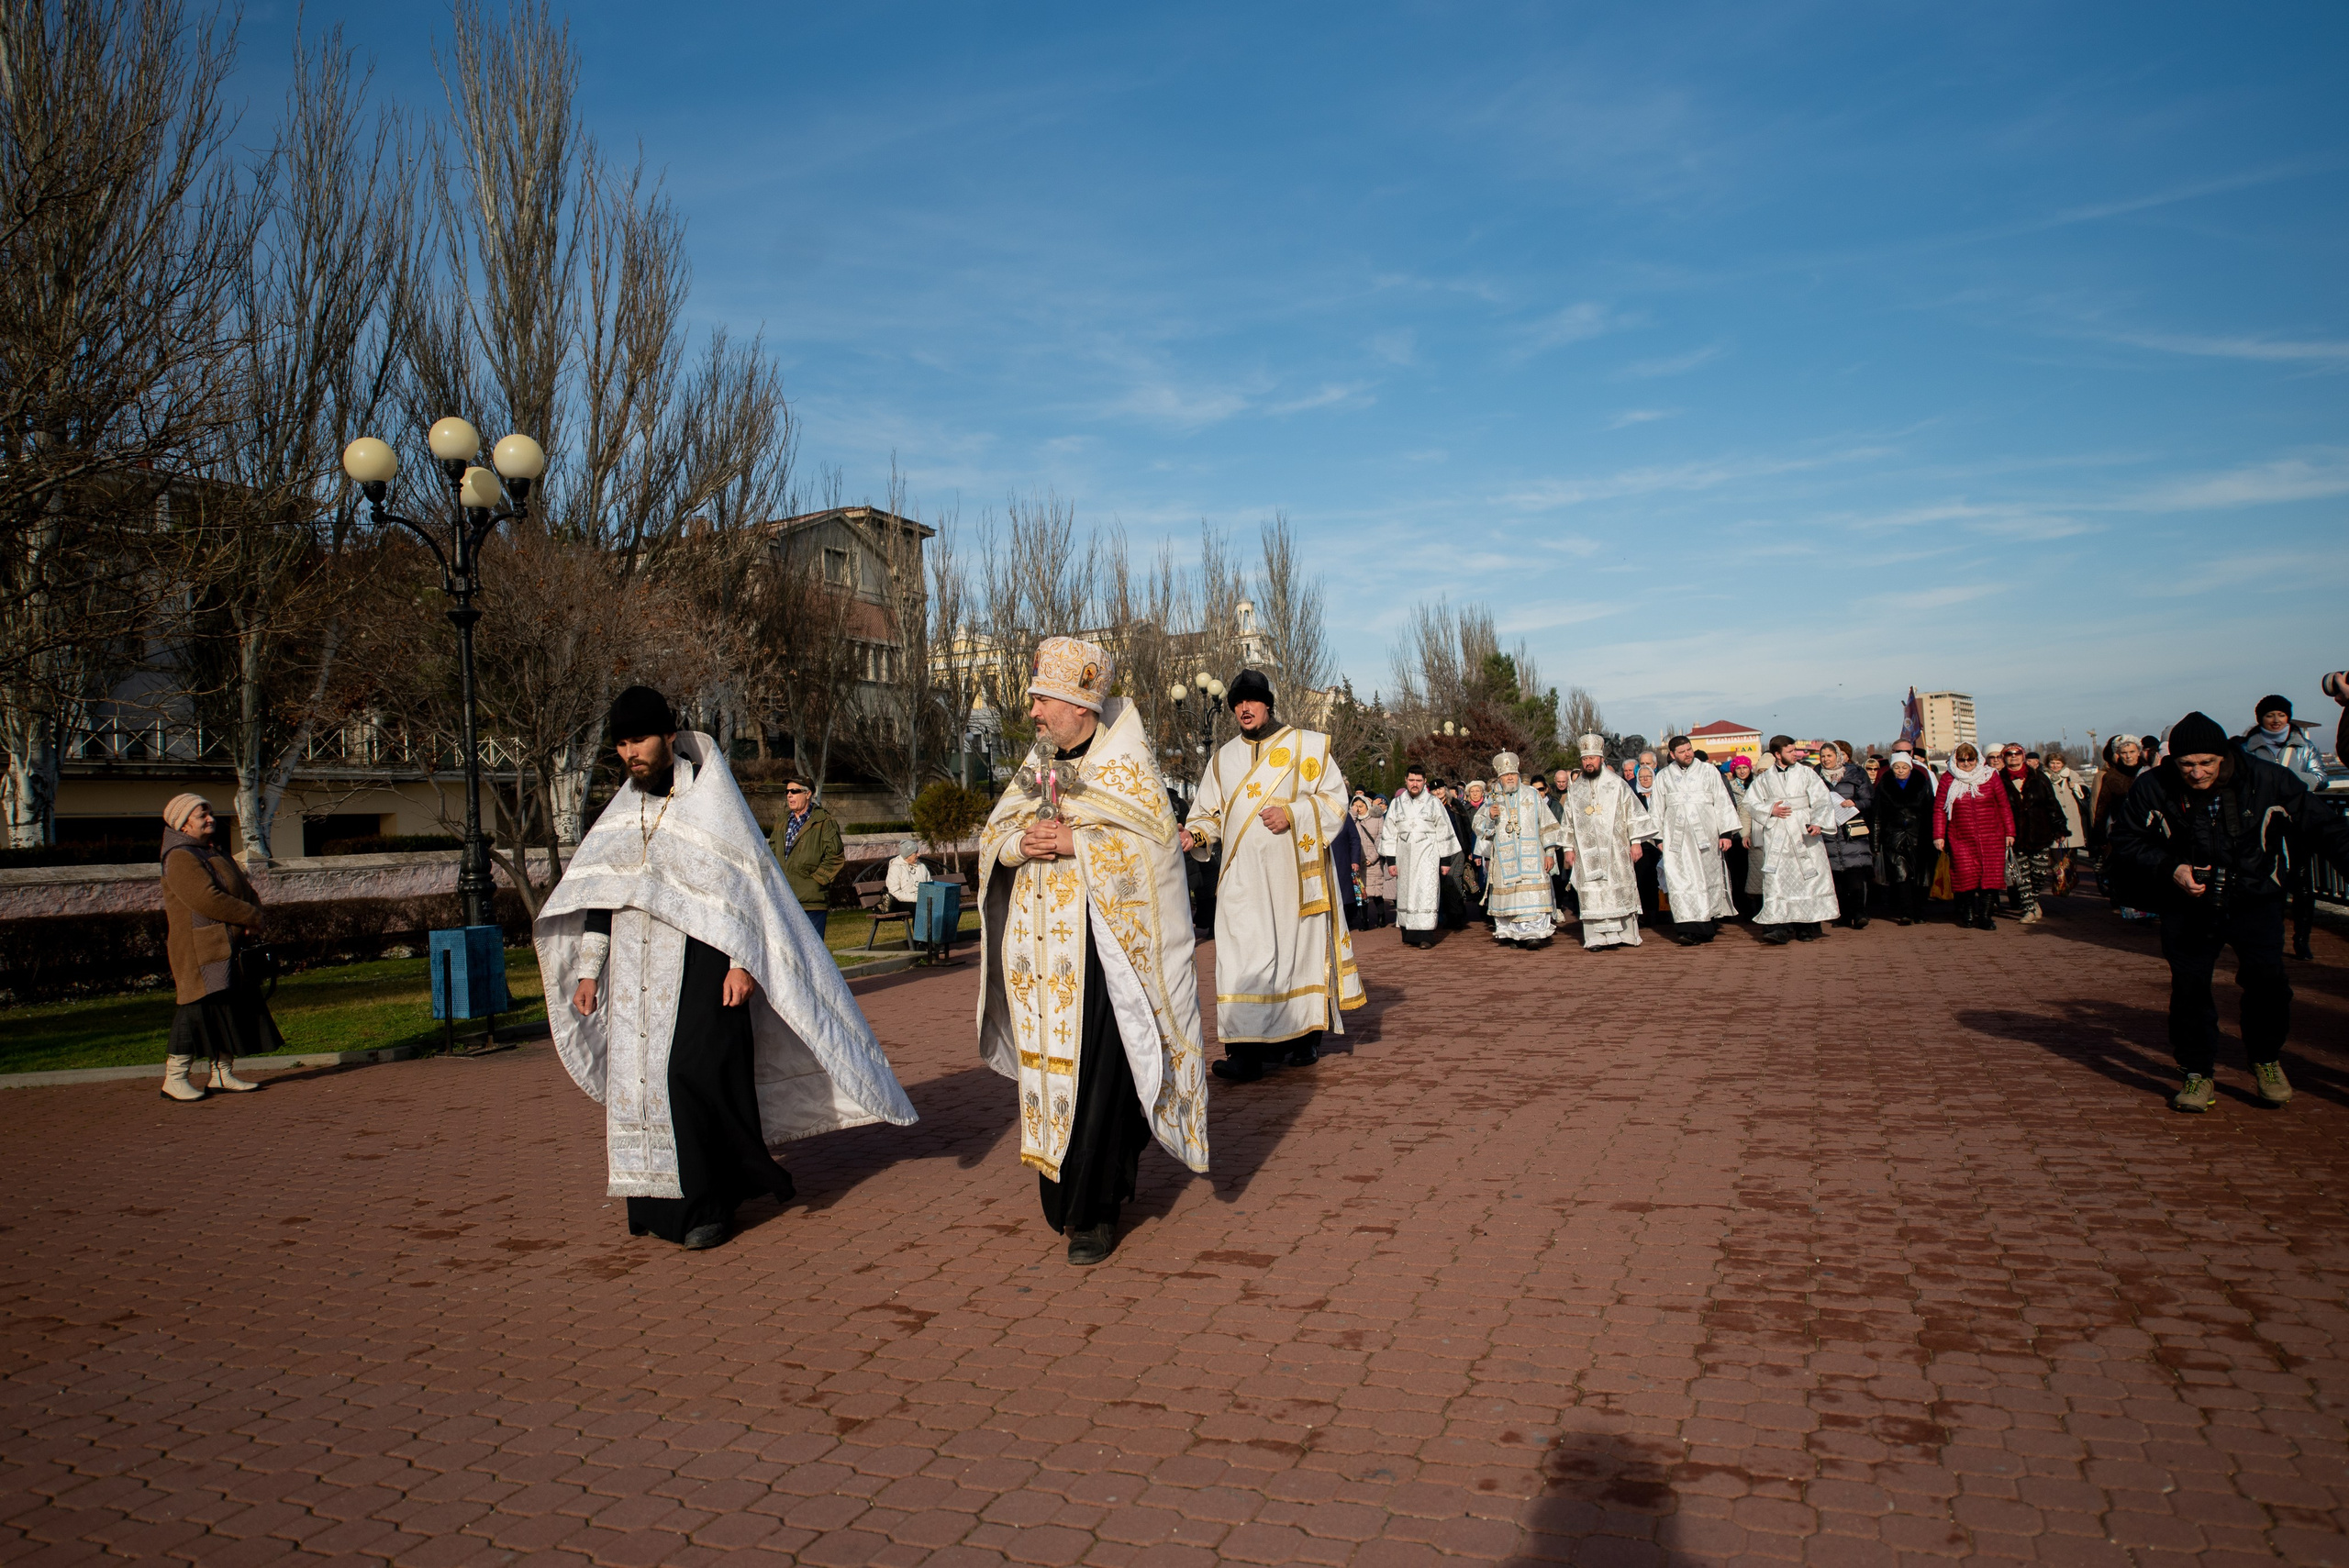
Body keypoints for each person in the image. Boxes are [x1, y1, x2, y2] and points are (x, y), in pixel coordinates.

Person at [540, 686, 917, 1251]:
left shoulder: (712, 802)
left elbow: (746, 892)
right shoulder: (621, 812)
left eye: (638, 739)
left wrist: (743, 964)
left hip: (704, 963)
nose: (630, 754)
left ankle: (707, 1208)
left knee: (693, 1077)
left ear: (669, 736)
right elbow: (600, 895)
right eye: (619, 744)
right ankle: (658, 1207)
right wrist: (590, 972)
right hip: (638, 973)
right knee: (641, 1086)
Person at [978, 637, 1208, 1262]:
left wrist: (1077, 845)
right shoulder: (1039, 763)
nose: (1032, 712)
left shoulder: (1127, 767)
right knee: (1052, 1075)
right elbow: (995, 833)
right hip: (1045, 964)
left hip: (1106, 959)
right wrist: (1023, 844)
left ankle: (1095, 1214)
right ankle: (1065, 1196)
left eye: (1040, 699)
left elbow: (1156, 853)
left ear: (1080, 704)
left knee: (1101, 1079)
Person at [2109, 710, 2349, 1113]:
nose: (2197, 773)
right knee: (2190, 988)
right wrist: (2172, 868)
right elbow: (2126, 839)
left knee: (2268, 984)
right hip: (2187, 901)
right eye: (2187, 764)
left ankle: (2266, 1059)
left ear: (2223, 755)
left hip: (2256, 897)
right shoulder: (2154, 785)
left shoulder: (2267, 778)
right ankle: (2197, 1071)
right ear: (2173, 760)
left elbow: (2325, 828)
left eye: (2206, 763)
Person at [1179, 669, 1364, 1082]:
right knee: (1241, 959)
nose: (1244, 708)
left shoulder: (1306, 746)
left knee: (1295, 956)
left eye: (1252, 701)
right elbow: (1208, 814)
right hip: (1241, 879)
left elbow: (1336, 801)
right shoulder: (1222, 758)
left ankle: (1303, 1040)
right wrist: (1194, 835)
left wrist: (1294, 814)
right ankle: (1244, 1051)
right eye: (1237, 703)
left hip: (1292, 878)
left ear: (1268, 704)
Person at [158, 794, 276, 1102]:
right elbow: (207, 899)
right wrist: (249, 916)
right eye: (202, 815)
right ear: (183, 824)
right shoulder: (180, 857)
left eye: (209, 812)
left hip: (227, 945)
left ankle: (222, 1074)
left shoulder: (211, 852)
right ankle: (175, 1078)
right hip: (200, 949)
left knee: (227, 1007)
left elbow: (245, 889)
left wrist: (254, 915)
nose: (210, 818)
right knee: (195, 1008)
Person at [2240, 695, 2327, 960]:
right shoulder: (2249, 748)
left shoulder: (2304, 745)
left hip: (2298, 818)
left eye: (2281, 714)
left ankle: (2302, 938)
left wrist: (2287, 779)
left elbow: (2321, 778)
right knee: (2269, 876)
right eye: (2270, 715)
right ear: (2260, 719)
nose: (2276, 720)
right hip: (2264, 821)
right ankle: (2272, 933)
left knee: (2302, 879)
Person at [1556, 736, 1658, 950]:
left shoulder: (1617, 784)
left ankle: (1623, 935)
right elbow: (1568, 822)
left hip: (1616, 851)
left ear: (1601, 758)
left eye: (1592, 758)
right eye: (1584, 759)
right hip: (1586, 853)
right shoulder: (1575, 789)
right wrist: (1567, 848)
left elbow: (1632, 814)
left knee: (1617, 889)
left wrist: (1636, 842)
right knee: (1592, 893)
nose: (1588, 763)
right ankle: (1595, 938)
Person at [1650, 734, 1741, 945]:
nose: (1688, 754)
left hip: (1707, 837)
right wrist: (1658, 838)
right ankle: (1687, 929)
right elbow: (1656, 808)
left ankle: (1707, 926)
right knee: (1681, 881)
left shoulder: (1709, 771)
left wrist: (1726, 833)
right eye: (1682, 752)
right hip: (1676, 840)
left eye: (1689, 749)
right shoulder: (1663, 776)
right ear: (1672, 755)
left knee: (1707, 878)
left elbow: (1722, 801)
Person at [1747, 735, 1839, 944]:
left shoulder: (1807, 773)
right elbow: (1750, 803)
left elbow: (1822, 799)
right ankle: (1777, 927)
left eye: (1795, 750)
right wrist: (1771, 809)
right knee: (1778, 880)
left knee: (1807, 879)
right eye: (1790, 751)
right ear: (1777, 755)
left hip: (1803, 831)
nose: (1795, 754)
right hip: (1778, 833)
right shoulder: (1763, 779)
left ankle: (1806, 926)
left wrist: (1818, 823)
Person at [1471, 751, 1563, 948]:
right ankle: (1512, 934)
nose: (1510, 778)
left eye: (1513, 774)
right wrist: (1489, 814)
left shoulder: (1532, 794)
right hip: (1505, 858)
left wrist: (1549, 853)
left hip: (1533, 857)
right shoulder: (1492, 796)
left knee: (1534, 896)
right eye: (1506, 775)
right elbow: (1478, 826)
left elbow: (1547, 824)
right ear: (1500, 777)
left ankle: (1534, 934)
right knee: (1510, 898)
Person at [1933, 742, 2013, 932]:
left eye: (1971, 759)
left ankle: (1985, 916)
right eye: (1962, 760)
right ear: (1955, 760)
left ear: (1978, 759)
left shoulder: (1990, 776)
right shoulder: (1947, 779)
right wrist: (1938, 835)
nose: (1967, 763)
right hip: (1961, 835)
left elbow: (2003, 805)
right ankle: (1967, 911)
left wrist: (2010, 832)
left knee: (1990, 878)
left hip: (1992, 836)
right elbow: (1939, 809)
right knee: (1965, 876)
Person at [1380, 765, 1460, 948]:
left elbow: (1444, 830)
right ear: (1406, 781)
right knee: (1407, 892)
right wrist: (1391, 861)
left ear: (1425, 782)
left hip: (1428, 856)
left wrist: (1445, 861)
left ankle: (1425, 936)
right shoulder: (1397, 803)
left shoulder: (1434, 803)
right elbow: (1390, 833)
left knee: (1426, 892)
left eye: (1418, 780)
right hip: (1404, 856)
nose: (1414, 784)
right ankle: (1409, 933)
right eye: (1411, 780)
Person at [769, 776, 845, 938]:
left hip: (811, 904)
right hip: (784, 900)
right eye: (787, 791)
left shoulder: (824, 821)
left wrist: (817, 882)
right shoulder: (782, 821)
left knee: (812, 956)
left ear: (808, 794)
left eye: (794, 791)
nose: (789, 795)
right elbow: (772, 851)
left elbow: (835, 856)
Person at [1998, 742, 2065, 924]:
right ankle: (2029, 909)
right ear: (2004, 757)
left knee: (2040, 872)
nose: (2013, 756)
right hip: (2015, 835)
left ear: (2023, 755)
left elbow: (2052, 803)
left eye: (2017, 753)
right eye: (2009, 754)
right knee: (2022, 876)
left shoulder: (2038, 777)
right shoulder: (1999, 780)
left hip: (2040, 832)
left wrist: (2059, 827)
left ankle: (2033, 900)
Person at [1870, 751, 1939, 925]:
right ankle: (1906, 912)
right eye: (1897, 767)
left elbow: (1931, 810)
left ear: (1910, 767)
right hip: (1894, 836)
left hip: (1920, 835)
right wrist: (1876, 844)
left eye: (1904, 767)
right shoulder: (1884, 785)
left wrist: (1936, 836)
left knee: (1921, 877)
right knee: (1901, 876)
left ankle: (1920, 911)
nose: (1900, 770)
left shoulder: (1921, 782)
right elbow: (1877, 815)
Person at [1817, 740, 1876, 929]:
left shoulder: (1856, 773)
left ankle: (1859, 913)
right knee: (1837, 876)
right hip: (1829, 832)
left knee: (1855, 873)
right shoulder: (1815, 776)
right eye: (1823, 756)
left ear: (1838, 756)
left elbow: (1868, 799)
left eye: (1829, 756)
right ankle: (1843, 915)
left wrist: (1856, 804)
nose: (1826, 760)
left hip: (1852, 829)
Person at [2092, 735, 2149, 917]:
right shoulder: (2112, 776)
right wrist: (2099, 833)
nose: (2129, 756)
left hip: (2147, 828)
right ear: (2118, 755)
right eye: (2124, 753)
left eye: (2132, 752)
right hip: (2121, 827)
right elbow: (2103, 804)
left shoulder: (2148, 773)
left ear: (2139, 752)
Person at [1725, 753, 1762, 917]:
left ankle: (1756, 907)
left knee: (1756, 872)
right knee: (1739, 873)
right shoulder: (1730, 787)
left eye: (1745, 767)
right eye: (1738, 768)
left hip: (1756, 832)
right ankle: (1742, 909)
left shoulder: (1756, 785)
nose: (1742, 771)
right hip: (1737, 834)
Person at [882, 839, 930, 912]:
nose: (919, 855)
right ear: (907, 855)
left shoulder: (922, 867)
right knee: (921, 907)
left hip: (922, 900)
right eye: (916, 853)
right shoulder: (896, 868)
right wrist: (916, 898)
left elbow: (930, 885)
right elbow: (895, 892)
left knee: (939, 905)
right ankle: (919, 924)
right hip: (901, 902)